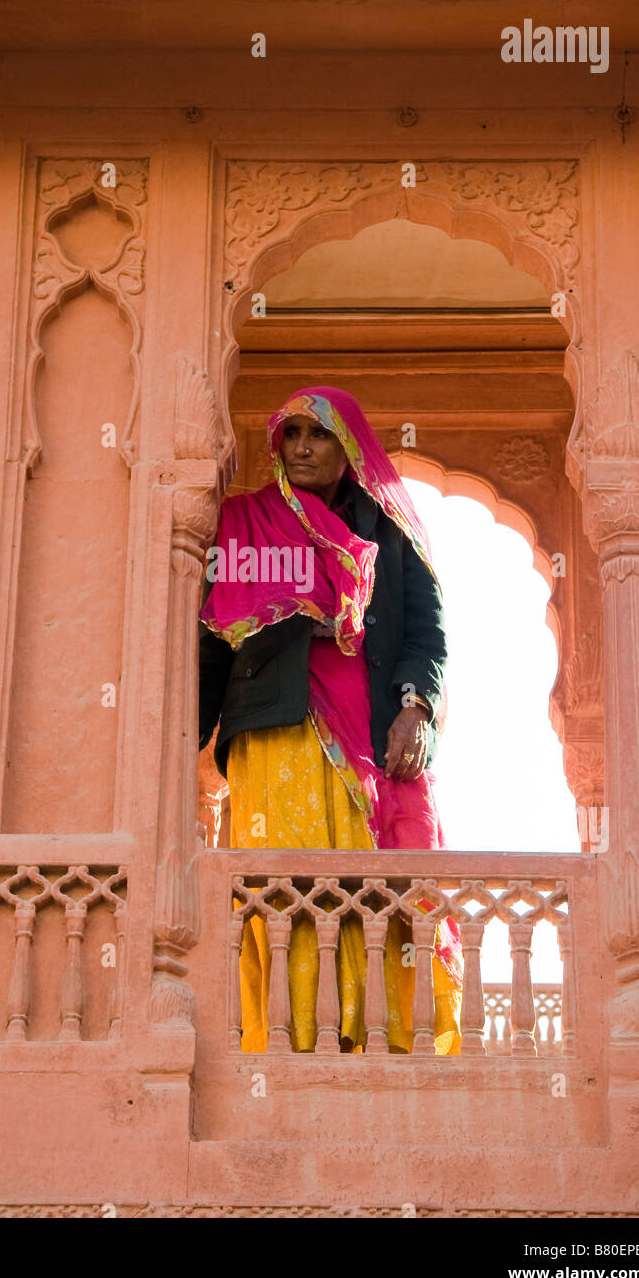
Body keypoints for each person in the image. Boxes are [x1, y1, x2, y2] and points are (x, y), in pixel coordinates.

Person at [199, 386, 462, 1054]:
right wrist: (184, 739)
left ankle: (379, 1031)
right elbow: (210, 637)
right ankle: (289, 1034)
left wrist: (417, 708)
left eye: (319, 435)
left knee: (370, 877)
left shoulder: (388, 530)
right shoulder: (245, 522)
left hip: (369, 725)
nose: (304, 448)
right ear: (276, 446)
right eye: (291, 435)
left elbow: (426, 632)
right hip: (271, 722)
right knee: (279, 879)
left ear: (349, 449)